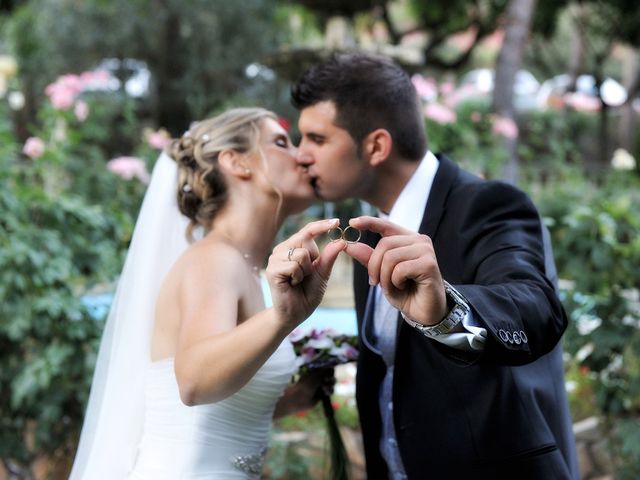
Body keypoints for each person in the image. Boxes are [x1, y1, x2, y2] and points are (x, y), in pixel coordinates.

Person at [291, 52, 579, 479]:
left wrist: (446, 313)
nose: (301, 156)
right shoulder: (364, 233)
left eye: (316, 139)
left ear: (375, 146)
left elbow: (537, 308)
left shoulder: (486, 205)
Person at [69, 107, 344, 479]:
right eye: (281, 142)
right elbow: (195, 382)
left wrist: (291, 400)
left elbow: (205, 413)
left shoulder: (244, 266)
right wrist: (282, 317)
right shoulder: (214, 259)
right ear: (236, 162)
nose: (302, 156)